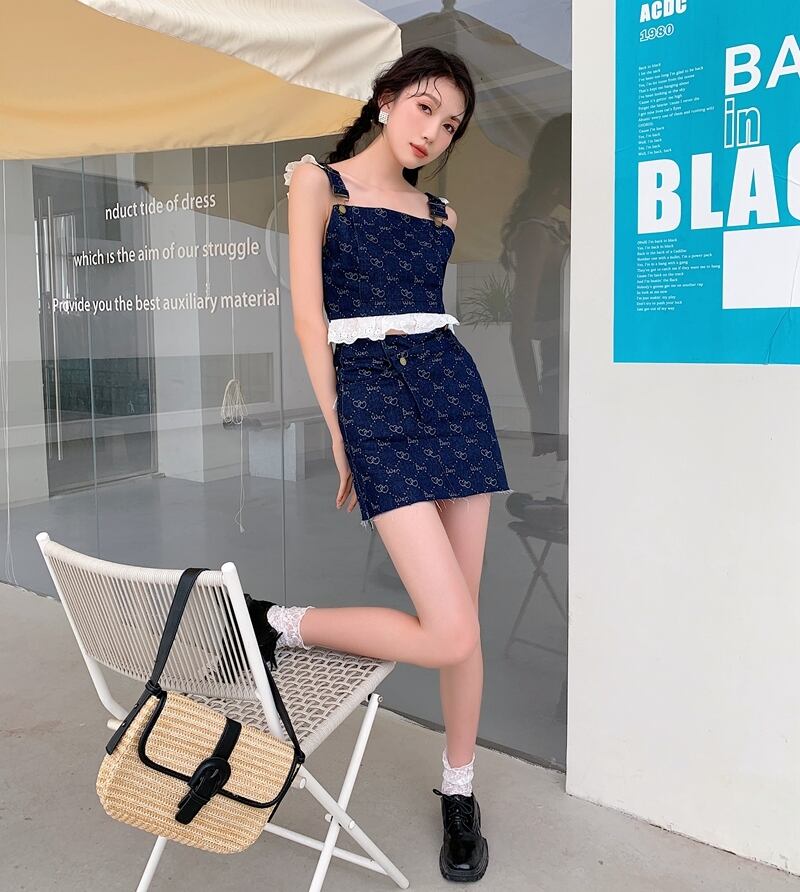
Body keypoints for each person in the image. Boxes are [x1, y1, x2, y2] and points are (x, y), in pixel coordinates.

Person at [257, 45, 512, 883]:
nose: (433, 131)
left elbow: (427, 314)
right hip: (370, 398)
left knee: (462, 621)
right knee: (449, 628)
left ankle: (459, 788)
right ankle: (282, 624)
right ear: (386, 98)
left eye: (451, 124)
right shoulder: (316, 184)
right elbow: (308, 318)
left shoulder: (441, 215)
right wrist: (340, 429)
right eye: (425, 107)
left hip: (453, 396)